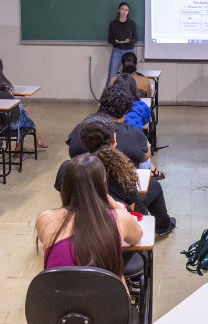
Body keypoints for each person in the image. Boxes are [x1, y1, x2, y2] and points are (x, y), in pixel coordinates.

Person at [36, 153, 143, 309]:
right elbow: (137, 237)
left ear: (64, 186)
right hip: (109, 311)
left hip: (58, 311)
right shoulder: (119, 217)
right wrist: (116, 206)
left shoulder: (45, 218)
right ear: (102, 184)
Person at [55, 113, 176, 236]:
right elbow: (131, 213)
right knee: (154, 187)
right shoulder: (124, 170)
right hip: (114, 230)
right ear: (114, 139)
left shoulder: (66, 168)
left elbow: (66, 204)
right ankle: (164, 226)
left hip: (79, 228)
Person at [66, 86, 164, 178]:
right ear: (125, 113)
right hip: (124, 182)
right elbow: (145, 157)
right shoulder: (135, 133)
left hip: (86, 180)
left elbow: (71, 151)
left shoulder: (80, 128)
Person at [0, 53, 47, 149]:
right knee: (25, 111)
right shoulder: (5, 84)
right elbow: (14, 105)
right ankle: (24, 144)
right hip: (7, 122)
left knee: (24, 110)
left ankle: (32, 140)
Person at [106, 2, 138, 87]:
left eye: (126, 10)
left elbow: (136, 39)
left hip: (129, 52)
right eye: (122, 9)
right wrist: (116, 41)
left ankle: (130, 97)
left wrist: (129, 41)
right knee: (111, 76)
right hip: (117, 50)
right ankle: (106, 99)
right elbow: (109, 39)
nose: (124, 11)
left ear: (128, 12)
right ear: (119, 10)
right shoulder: (113, 23)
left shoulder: (132, 23)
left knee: (131, 77)